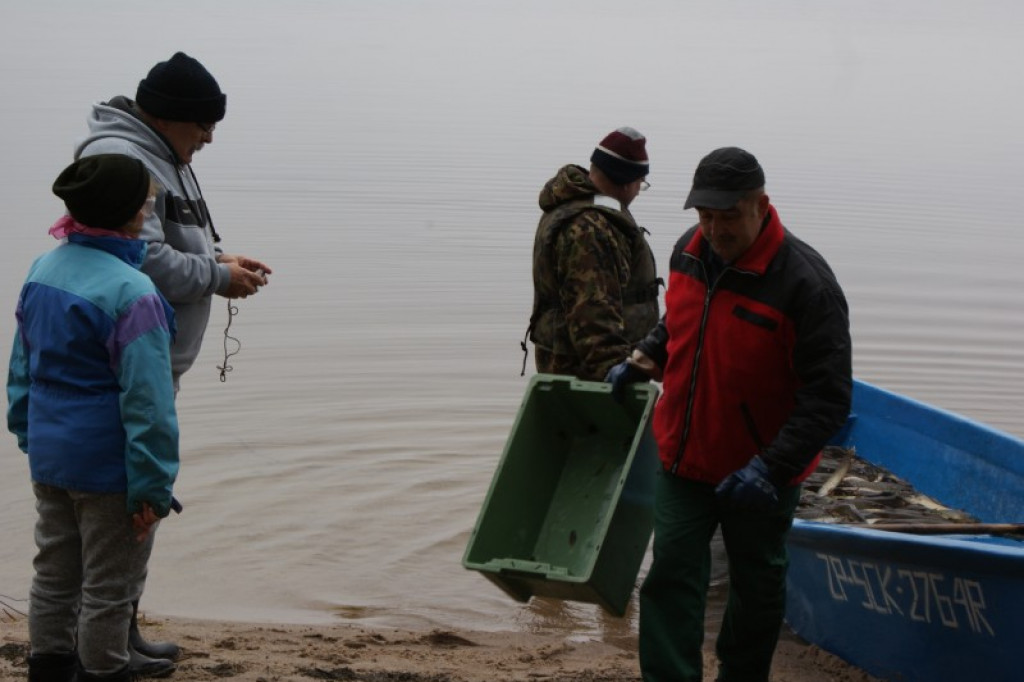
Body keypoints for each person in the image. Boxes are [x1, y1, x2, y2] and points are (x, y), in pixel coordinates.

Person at [607, 147, 852, 682]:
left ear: (760, 204)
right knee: (670, 574)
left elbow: (829, 398)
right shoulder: (687, 252)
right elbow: (683, 322)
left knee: (758, 585)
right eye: (705, 216)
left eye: (728, 217)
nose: (714, 230)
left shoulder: (806, 283)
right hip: (682, 456)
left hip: (761, 471)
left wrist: (771, 467)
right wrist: (646, 352)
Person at [73, 51, 271, 675]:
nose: (209, 137)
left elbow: (169, 240)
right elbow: (139, 257)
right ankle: (105, 647)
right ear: (170, 117)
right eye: (203, 125)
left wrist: (219, 259)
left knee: (130, 504)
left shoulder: (160, 153)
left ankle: (119, 631)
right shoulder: (126, 159)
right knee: (132, 504)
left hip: (155, 360)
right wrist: (217, 278)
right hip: (132, 363)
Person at [7, 155, 179, 682]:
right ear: (130, 215)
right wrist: (152, 485)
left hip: (52, 457)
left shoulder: (43, 269)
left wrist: (28, 434)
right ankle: (105, 671)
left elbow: (21, 367)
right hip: (109, 467)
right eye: (148, 204)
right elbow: (148, 403)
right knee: (110, 585)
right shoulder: (134, 292)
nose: (150, 211)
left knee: (54, 572)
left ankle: (49, 665)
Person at [525, 126, 661, 381]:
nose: (637, 191)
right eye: (640, 184)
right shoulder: (591, 230)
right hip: (586, 378)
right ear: (627, 181)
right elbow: (593, 315)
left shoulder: (569, 207)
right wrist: (616, 373)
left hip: (564, 368)